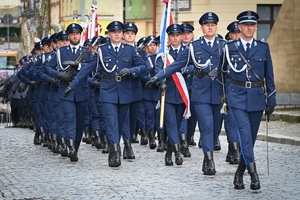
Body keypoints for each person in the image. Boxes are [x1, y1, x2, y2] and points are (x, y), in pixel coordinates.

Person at [146, 12, 225, 175]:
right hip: (200, 92)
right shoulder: (194, 46)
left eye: (213, 24)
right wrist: (157, 77)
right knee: (206, 126)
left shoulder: (224, 46)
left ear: (216, 26)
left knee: (215, 126)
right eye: (206, 24)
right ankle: (209, 160)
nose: (210, 27)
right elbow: (176, 65)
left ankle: (205, 158)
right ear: (202, 27)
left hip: (218, 93)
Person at [64, 21, 148, 167]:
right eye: (114, 31)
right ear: (109, 34)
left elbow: (144, 67)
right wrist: (74, 85)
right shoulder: (102, 50)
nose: (117, 34)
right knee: (112, 122)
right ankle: (115, 152)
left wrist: (131, 71)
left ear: (122, 34)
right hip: (107, 91)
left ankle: (114, 146)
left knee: (120, 122)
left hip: (124, 92)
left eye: (119, 31)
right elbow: (87, 69)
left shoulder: (129, 50)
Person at [222, 10, 276, 190]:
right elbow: (223, 73)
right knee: (244, 134)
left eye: (252, 25)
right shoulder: (229, 48)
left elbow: (269, 75)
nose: (249, 28)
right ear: (240, 27)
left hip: (257, 98)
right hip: (236, 97)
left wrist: (272, 100)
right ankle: (254, 175)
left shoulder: (263, 47)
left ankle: (238, 173)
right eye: (246, 25)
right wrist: (224, 96)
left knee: (250, 140)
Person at [45, 23, 92, 162]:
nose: (75, 36)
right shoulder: (60, 52)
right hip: (65, 90)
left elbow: (92, 66)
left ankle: (75, 146)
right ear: (69, 35)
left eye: (77, 33)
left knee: (79, 122)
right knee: (69, 119)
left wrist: (79, 65)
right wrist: (59, 75)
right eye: (72, 34)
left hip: (82, 91)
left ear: (81, 35)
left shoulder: (86, 52)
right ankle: (70, 147)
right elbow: (47, 67)